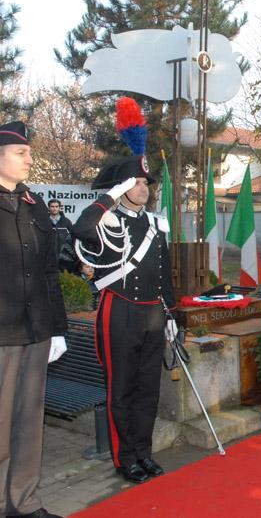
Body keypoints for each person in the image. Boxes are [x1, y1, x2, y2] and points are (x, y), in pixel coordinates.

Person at [72, 156, 176, 485]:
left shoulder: (157, 224)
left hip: (153, 312)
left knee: (148, 388)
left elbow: (165, 276)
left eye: (146, 183)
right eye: (136, 183)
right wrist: (111, 196)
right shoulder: (106, 221)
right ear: (122, 188)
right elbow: (81, 228)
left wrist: (172, 315)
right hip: (120, 310)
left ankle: (144, 452)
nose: (144, 188)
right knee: (122, 388)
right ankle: (125, 457)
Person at [0, 121, 68, 518]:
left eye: (29, 152)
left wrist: (58, 327)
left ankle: (24, 503)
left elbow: (48, 274)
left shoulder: (35, 204)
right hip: (2, 333)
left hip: (36, 330)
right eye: (20, 153)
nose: (29, 158)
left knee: (29, 422)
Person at [48, 198, 77, 273]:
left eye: (56, 206)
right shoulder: (45, 221)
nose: (54, 208)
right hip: (48, 256)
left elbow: (73, 238)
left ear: (59, 208)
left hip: (65, 257)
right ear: (49, 208)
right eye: (52, 206)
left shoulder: (66, 222)